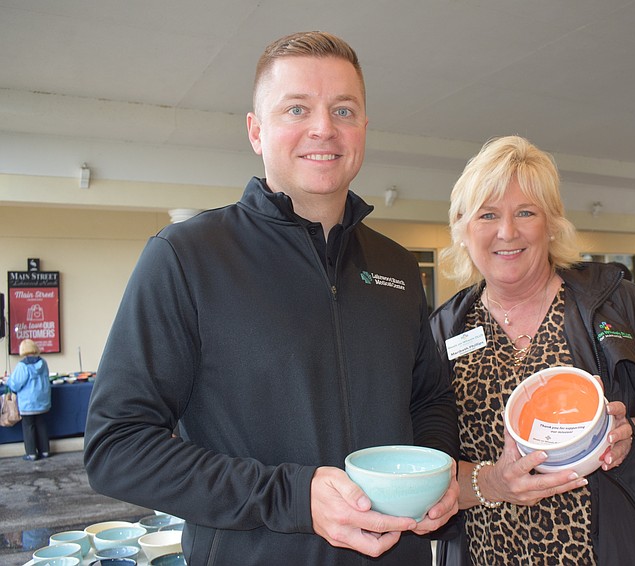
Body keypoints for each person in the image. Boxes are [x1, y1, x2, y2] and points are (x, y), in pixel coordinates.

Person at [84, 31, 459, 565]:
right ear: (256, 132)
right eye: (297, 108)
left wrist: (437, 469)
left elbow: (429, 400)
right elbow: (116, 447)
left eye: (344, 110)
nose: (324, 128)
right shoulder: (187, 257)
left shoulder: (397, 265)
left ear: (364, 129)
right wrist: (293, 498)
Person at [429, 136, 635, 565]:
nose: (507, 232)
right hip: (487, 553)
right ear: (462, 230)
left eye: (526, 212)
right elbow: (427, 467)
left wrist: (632, 436)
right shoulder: (442, 332)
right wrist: (493, 481)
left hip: (618, 549)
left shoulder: (620, 306)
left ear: (552, 223)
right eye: (488, 215)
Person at [8, 339, 51, 461]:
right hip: (43, 402)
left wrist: (8, 380)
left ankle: (32, 453)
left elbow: (15, 384)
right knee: (41, 425)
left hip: (28, 404)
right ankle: (45, 451)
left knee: (29, 427)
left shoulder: (23, 365)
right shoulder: (43, 362)